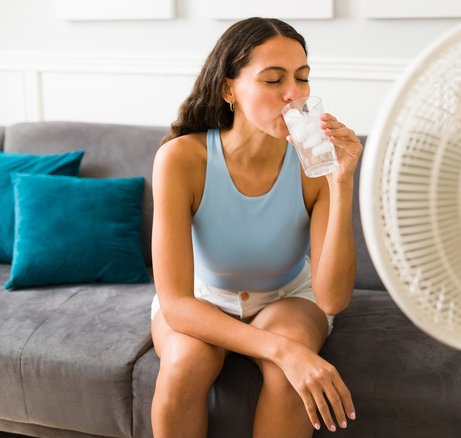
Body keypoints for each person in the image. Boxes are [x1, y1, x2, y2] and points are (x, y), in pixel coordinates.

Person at [150, 17, 362, 438]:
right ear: (229, 88)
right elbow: (176, 303)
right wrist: (283, 349)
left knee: (288, 377)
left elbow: (333, 299)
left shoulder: (316, 163)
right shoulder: (180, 159)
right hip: (202, 297)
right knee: (184, 365)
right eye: (273, 80)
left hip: (288, 298)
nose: (294, 95)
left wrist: (341, 184)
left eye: (302, 79)